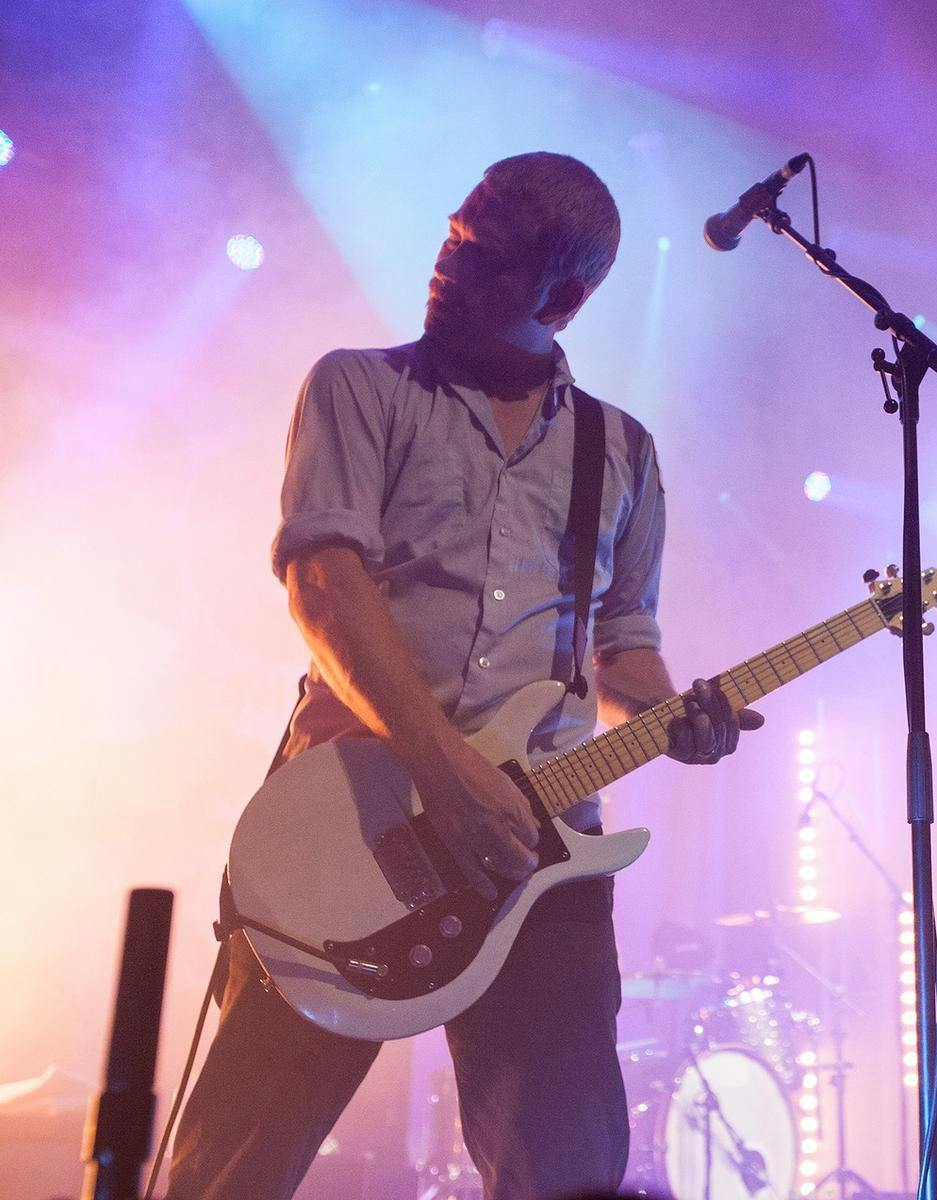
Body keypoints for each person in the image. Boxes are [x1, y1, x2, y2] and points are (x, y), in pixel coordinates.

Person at [164, 152, 763, 1200]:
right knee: (231, 1169)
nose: (446, 261)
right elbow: (323, 584)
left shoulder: (622, 450)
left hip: (543, 854)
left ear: (562, 298)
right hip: (350, 816)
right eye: (453, 233)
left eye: (482, 258)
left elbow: (620, 642)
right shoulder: (359, 384)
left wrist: (673, 715)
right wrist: (440, 764)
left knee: (566, 1172)